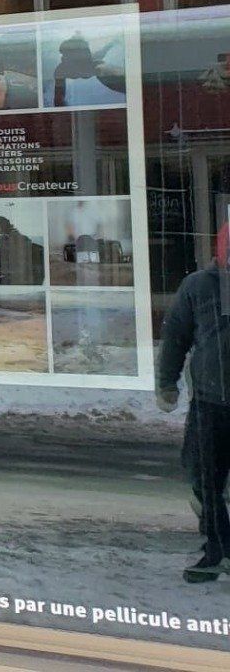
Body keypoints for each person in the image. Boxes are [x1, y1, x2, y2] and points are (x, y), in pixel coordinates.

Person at [156, 224, 230, 583]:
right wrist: (166, 383)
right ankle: (218, 550)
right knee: (204, 480)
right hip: (210, 403)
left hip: (213, 398)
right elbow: (175, 337)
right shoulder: (198, 286)